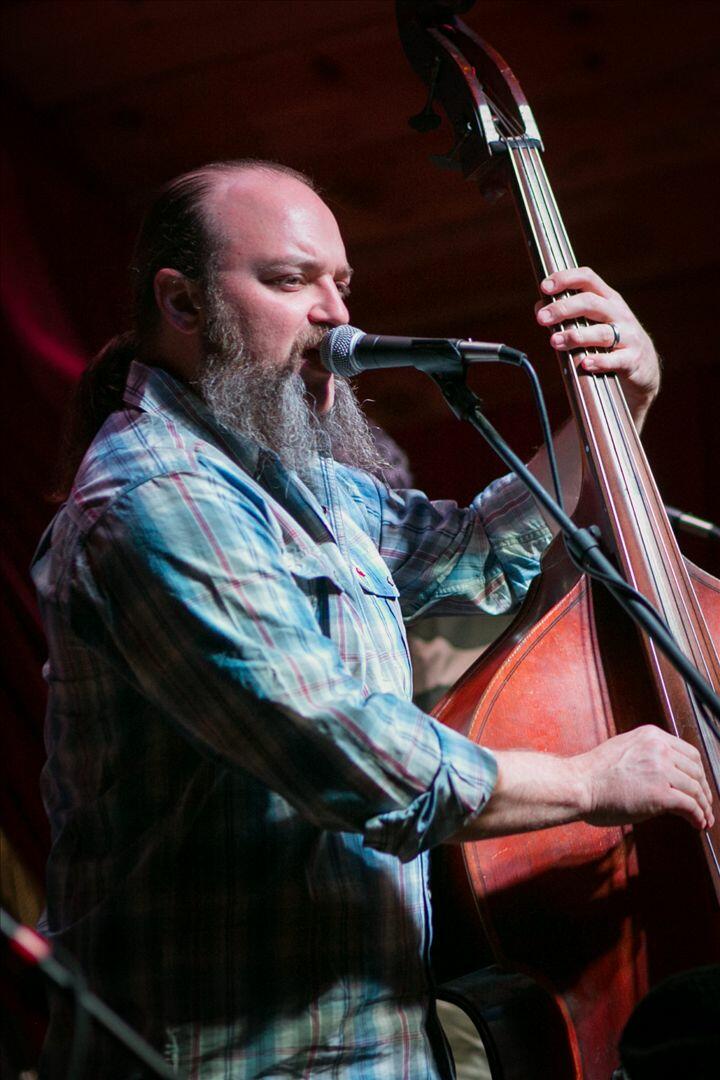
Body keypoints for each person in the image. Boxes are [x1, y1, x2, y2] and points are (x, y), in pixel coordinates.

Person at [31, 159, 712, 1079]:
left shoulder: (304, 485)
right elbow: (345, 752)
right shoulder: (157, 497)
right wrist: (590, 779)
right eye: (290, 280)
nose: (336, 317)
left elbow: (475, 554)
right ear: (183, 304)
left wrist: (616, 408)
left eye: (341, 284)